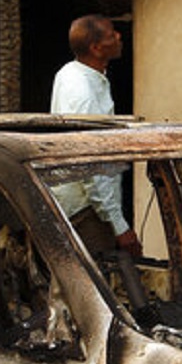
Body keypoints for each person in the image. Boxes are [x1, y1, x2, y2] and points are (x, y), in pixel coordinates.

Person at [49, 15, 141, 255]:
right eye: (112, 35)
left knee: (71, 287)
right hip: (87, 210)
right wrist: (118, 225)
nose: (119, 36)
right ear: (96, 48)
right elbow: (91, 164)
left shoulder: (72, 73)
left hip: (82, 206)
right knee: (92, 287)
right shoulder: (83, 91)